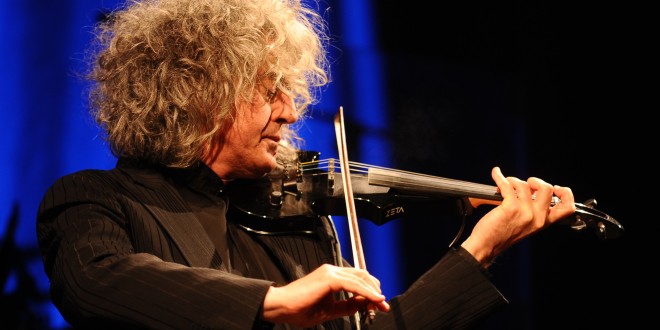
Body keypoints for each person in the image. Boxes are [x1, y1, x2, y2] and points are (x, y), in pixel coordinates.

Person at [35, 0, 577, 329]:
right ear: (201, 94)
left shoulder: (297, 220)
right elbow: (96, 281)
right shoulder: (94, 200)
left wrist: (481, 247)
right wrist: (274, 302)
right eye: (271, 91)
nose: (291, 111)